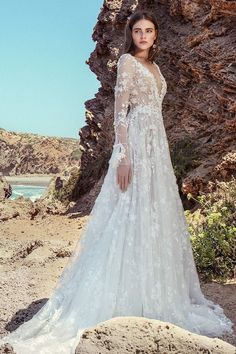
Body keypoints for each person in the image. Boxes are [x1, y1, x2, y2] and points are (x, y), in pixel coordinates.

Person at [0, 10, 234, 354]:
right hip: (137, 142)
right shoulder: (126, 62)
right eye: (137, 30)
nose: (142, 35)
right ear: (131, 34)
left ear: (155, 36)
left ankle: (155, 289)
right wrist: (123, 155)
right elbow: (119, 111)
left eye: (148, 30)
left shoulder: (156, 69)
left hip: (158, 146)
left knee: (156, 210)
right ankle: (120, 293)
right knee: (129, 207)